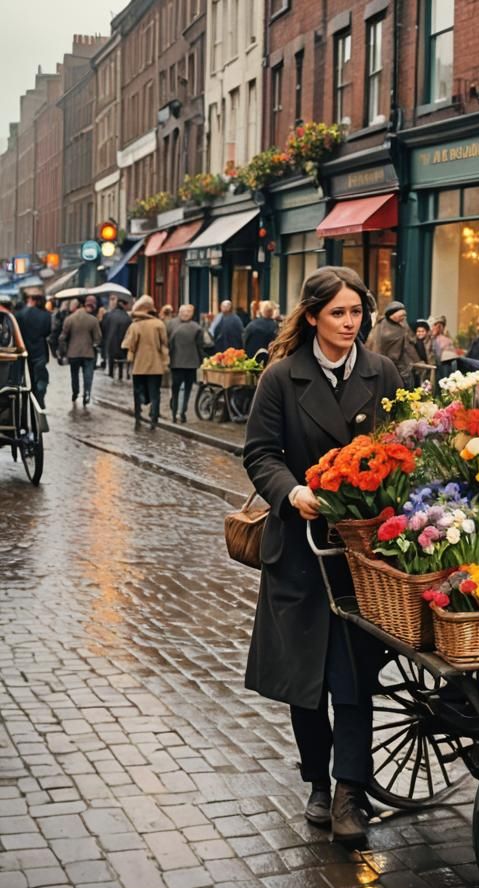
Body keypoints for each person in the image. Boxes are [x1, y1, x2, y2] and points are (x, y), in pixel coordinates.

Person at [243, 266, 402, 846]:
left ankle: (350, 793)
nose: (349, 323)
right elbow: (260, 453)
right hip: (302, 551)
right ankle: (317, 781)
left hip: (361, 551)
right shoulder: (282, 377)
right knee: (305, 680)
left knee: (354, 678)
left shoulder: (381, 371)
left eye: (357, 313)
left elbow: (398, 445)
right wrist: (293, 492)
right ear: (312, 316)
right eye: (337, 313)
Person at [122, 295, 170, 429]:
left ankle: (138, 414)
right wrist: (165, 362)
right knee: (155, 392)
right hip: (156, 365)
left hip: (139, 365)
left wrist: (130, 359)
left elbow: (129, 346)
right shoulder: (159, 324)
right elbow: (164, 345)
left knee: (138, 391)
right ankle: (154, 418)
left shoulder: (135, 326)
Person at [366, 300, 419, 388]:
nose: (403, 318)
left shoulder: (403, 326)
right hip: (384, 363)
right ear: (392, 315)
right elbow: (374, 345)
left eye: (404, 316)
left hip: (401, 365)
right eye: (401, 316)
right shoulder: (381, 326)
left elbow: (409, 345)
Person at [60, 296, 102, 405]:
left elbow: (62, 337)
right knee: (88, 375)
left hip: (73, 353)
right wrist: (94, 343)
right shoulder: (93, 320)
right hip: (88, 353)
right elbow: (98, 338)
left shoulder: (69, 319)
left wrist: (62, 352)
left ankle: (75, 392)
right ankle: (87, 393)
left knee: (74, 374)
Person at [167, 304, 206, 423]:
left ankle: (178, 412)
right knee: (184, 389)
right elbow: (201, 347)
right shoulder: (196, 327)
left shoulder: (171, 324)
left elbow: (167, 343)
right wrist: (202, 360)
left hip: (178, 362)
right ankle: (180, 411)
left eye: (188, 312)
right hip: (188, 363)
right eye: (184, 312)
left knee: (177, 388)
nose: (185, 314)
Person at [16, 293, 52, 408]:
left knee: (29, 375)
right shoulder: (46, 315)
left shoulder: (22, 314)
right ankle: (39, 399)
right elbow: (47, 332)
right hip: (40, 349)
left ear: (32, 300)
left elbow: (18, 332)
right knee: (40, 375)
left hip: (25, 348)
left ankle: (31, 397)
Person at [102, 297, 133, 380]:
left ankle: (111, 374)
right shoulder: (127, 318)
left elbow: (103, 328)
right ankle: (121, 376)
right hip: (123, 342)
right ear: (124, 305)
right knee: (122, 361)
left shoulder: (108, 315)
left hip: (110, 342)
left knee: (111, 360)